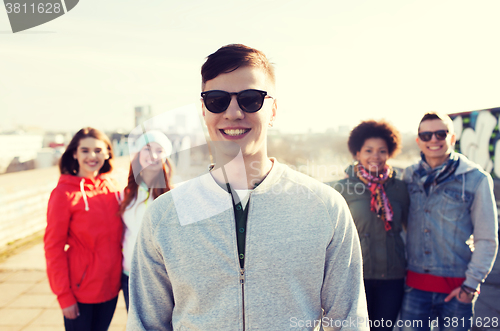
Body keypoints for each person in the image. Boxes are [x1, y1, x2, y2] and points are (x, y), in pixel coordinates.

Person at [126, 44, 369, 330]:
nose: (233, 113)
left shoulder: (325, 207)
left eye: (250, 99)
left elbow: (350, 320)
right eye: (217, 100)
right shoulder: (165, 214)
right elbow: (146, 323)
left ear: (274, 109)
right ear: (203, 110)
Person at [401, 112, 498, 331]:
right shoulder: (409, 176)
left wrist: (470, 286)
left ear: (452, 138)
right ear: (419, 141)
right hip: (414, 288)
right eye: (426, 135)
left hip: (457, 289)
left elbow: (486, 238)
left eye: (440, 133)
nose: (433, 140)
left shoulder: (476, 179)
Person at [333, 120, 409, 330]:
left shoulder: (400, 188)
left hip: (392, 278)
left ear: (389, 153)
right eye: (369, 150)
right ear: (357, 153)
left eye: (382, 151)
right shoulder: (342, 188)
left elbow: (410, 227)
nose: (375, 156)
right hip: (356, 277)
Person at [44, 127, 123, 331]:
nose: (92, 156)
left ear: (107, 153)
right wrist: (64, 297)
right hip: (80, 292)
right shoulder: (63, 194)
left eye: (98, 150)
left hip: (111, 288)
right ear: (75, 153)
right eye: (85, 150)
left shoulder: (113, 188)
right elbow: (53, 248)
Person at [119, 130, 174, 311]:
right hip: (130, 275)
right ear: (138, 154)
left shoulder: (174, 195)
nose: (153, 155)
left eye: (159, 150)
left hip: (163, 277)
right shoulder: (125, 194)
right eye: (147, 149)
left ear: (166, 156)